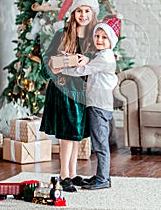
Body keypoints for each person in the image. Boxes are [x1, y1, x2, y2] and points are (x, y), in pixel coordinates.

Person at [40, 0, 99, 192]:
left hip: (81, 92)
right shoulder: (62, 34)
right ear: (73, 13)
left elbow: (99, 60)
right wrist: (53, 65)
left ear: (92, 13)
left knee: (76, 135)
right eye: (79, 11)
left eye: (87, 11)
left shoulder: (94, 37)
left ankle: (73, 174)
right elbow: (47, 59)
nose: (83, 15)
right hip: (64, 90)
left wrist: (88, 60)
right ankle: (64, 175)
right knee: (66, 134)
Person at [61, 14, 121, 190]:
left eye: (104, 37)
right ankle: (101, 176)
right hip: (98, 104)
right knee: (99, 142)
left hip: (99, 106)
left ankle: (103, 179)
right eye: (97, 36)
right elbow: (89, 64)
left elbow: (84, 71)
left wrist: (63, 69)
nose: (99, 40)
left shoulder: (106, 57)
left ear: (112, 40)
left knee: (100, 144)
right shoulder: (102, 54)